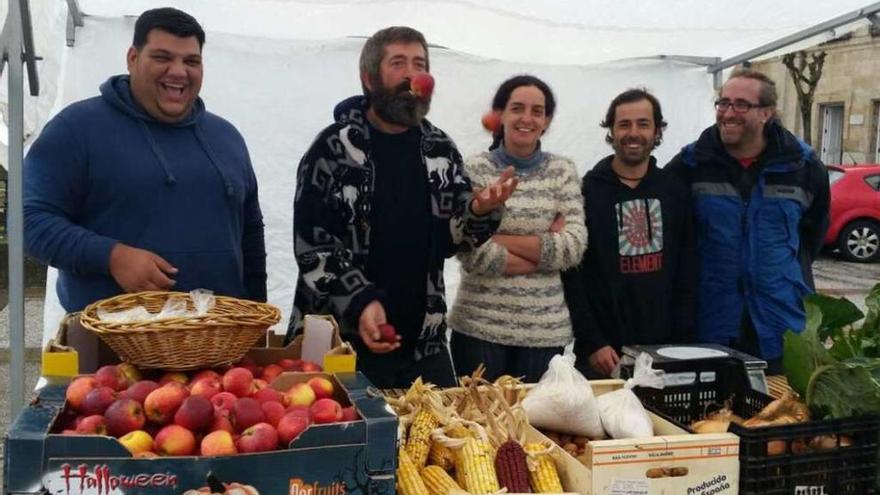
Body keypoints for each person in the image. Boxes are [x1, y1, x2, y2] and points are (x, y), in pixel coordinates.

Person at [288, 26, 517, 388]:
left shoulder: (439, 147)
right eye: (399, 63)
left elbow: (451, 239)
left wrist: (478, 210)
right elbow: (313, 244)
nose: (414, 75)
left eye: (420, 63)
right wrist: (361, 300)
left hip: (422, 345)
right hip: (339, 341)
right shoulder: (332, 148)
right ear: (368, 78)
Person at [24, 7, 267, 312]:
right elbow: (29, 220)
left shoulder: (227, 138)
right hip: (110, 348)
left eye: (191, 61)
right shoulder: (76, 129)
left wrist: (257, 313)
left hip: (218, 344)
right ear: (133, 58)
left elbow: (251, 233)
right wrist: (111, 256)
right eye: (162, 57)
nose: (178, 71)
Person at [666, 68, 830, 373]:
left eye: (741, 105)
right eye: (723, 103)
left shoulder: (803, 166)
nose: (728, 112)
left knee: (776, 415)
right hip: (711, 320)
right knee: (712, 417)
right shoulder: (692, 163)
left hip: (778, 322)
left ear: (766, 113)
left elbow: (811, 238)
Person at [448, 75, 587, 383]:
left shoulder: (562, 170)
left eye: (537, 111)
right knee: (476, 426)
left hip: (545, 335)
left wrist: (496, 236)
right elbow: (471, 252)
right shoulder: (474, 169)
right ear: (501, 115)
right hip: (478, 329)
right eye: (518, 108)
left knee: (536, 430)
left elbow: (574, 246)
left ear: (547, 120)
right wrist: (545, 247)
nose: (527, 118)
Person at [563, 88, 696, 378]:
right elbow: (573, 276)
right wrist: (592, 341)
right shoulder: (586, 192)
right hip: (603, 356)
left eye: (643, 124)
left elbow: (687, 272)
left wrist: (681, 344)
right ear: (611, 130)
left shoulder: (675, 191)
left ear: (657, 130)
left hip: (664, 351)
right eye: (624, 124)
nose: (633, 133)